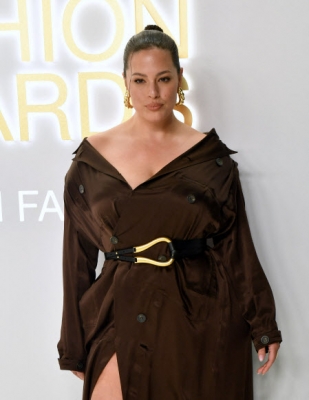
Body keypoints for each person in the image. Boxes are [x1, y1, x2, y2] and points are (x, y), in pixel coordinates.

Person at [57, 25, 282, 400]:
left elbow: (237, 249)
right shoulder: (91, 162)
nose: (153, 92)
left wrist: (263, 324)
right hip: (118, 308)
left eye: (163, 78)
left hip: (199, 313)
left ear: (179, 80)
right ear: (125, 84)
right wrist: (73, 342)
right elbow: (75, 261)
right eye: (140, 80)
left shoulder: (211, 159)